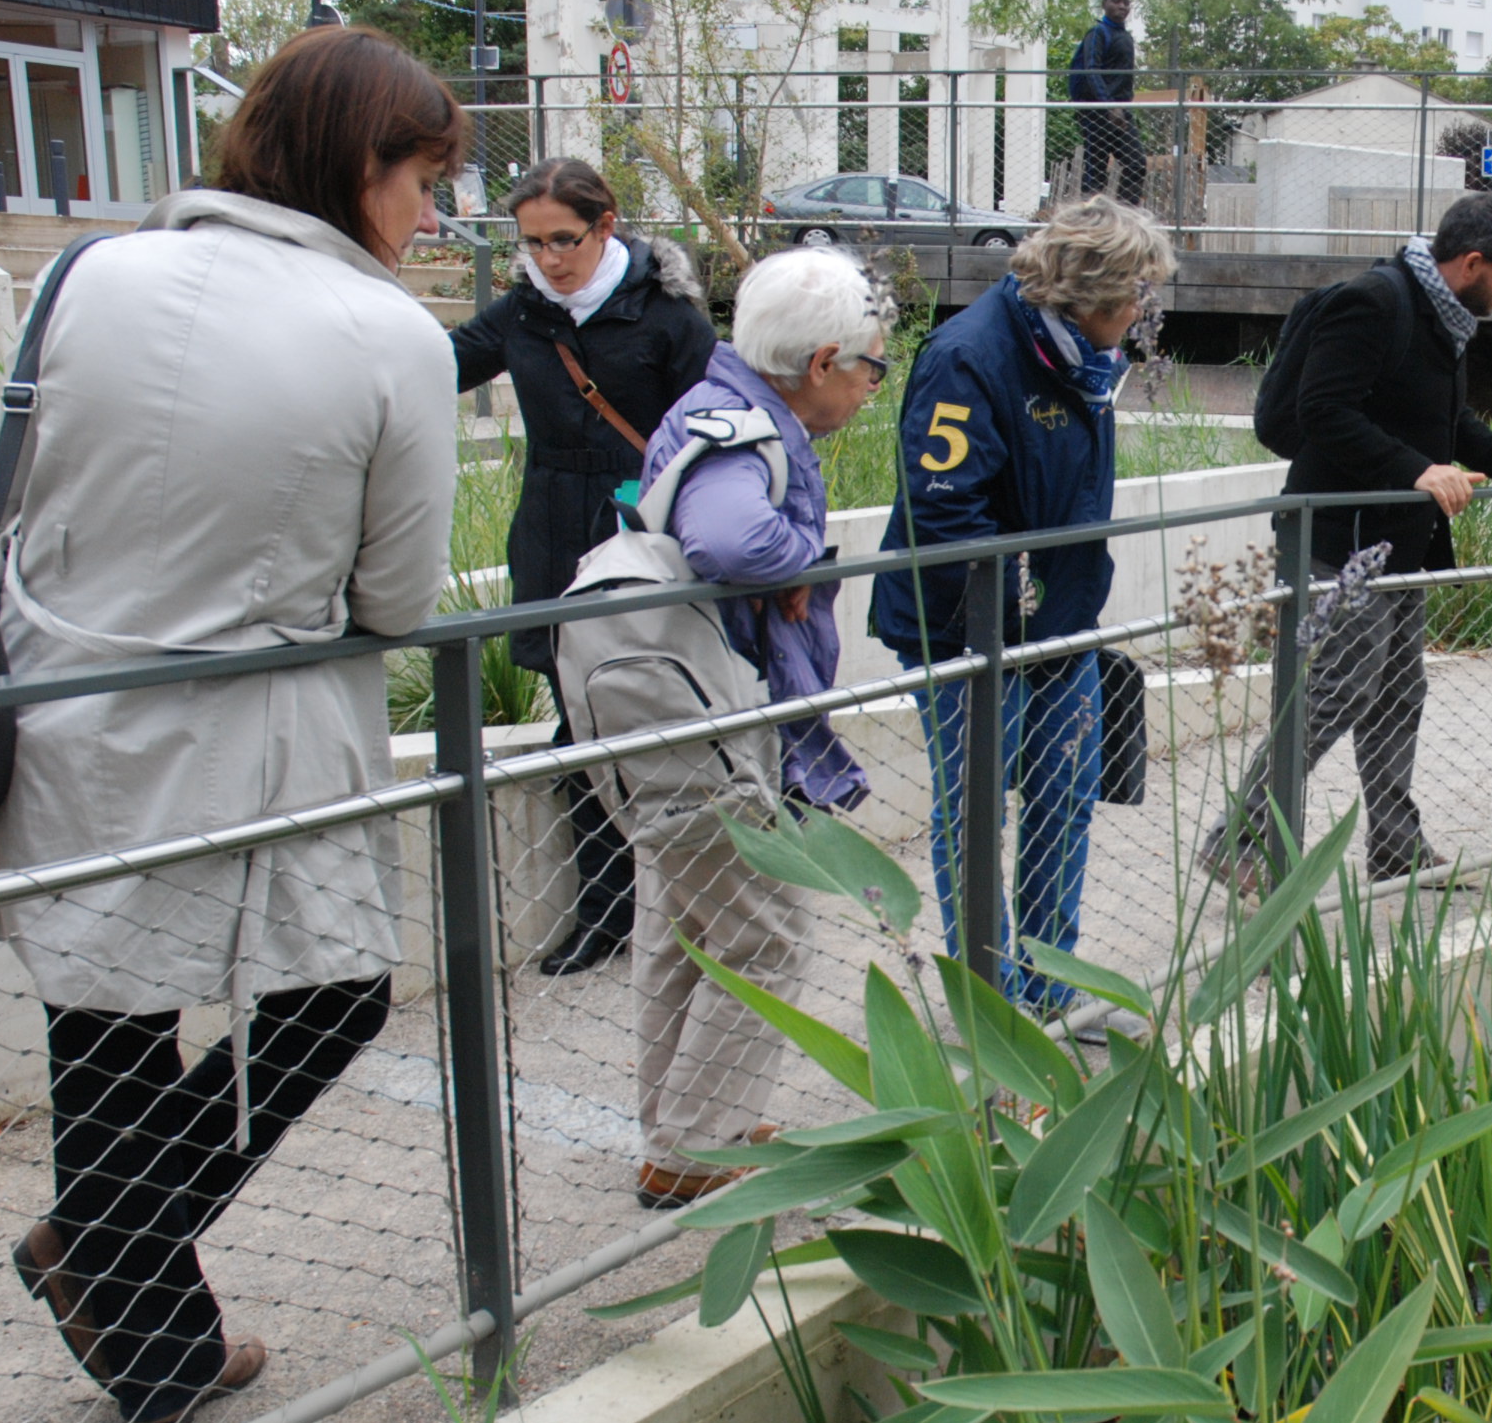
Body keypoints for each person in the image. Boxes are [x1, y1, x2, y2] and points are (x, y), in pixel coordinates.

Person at [0, 26, 463, 1423]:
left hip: (61, 706)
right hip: (249, 730)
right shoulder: (389, 333)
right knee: (337, 993)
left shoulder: (91, 273)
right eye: (424, 180)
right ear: (355, 163)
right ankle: (113, 1254)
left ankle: (153, 1345)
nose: (433, 216)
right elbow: (395, 593)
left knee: (105, 1015)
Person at [1201, 194, 1492, 891]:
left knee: (1399, 692)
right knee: (1335, 691)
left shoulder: (1443, 318)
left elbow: (1445, 423)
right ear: (1471, 263)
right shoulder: (1376, 302)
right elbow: (1322, 411)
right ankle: (1241, 842)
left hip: (1398, 544)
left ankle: (1395, 847)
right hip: (1339, 540)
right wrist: (1416, 471)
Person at [870, 198, 1176, 1016]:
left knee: (1063, 796)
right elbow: (944, 514)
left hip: (1061, 627)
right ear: (1094, 292)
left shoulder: (1086, 356)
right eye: (1138, 292)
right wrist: (1021, 610)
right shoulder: (968, 357)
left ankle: (1049, 983)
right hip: (968, 633)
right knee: (974, 812)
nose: (1144, 308)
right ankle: (989, 996)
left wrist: (1063, 613)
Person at [628, 248, 883, 1208]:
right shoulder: (745, 434)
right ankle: (692, 1146)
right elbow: (730, 539)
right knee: (765, 934)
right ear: (822, 363)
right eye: (868, 366)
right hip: (720, 727)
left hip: (678, 716)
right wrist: (801, 563)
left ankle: (689, 1123)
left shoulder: (712, 409)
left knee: (682, 927)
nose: (868, 387)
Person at [449, 156, 717, 976]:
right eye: (530, 244)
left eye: (562, 239)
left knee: (658, 726)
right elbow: (432, 365)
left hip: (642, 536)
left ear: (606, 227)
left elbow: (717, 431)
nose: (547, 259)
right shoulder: (525, 312)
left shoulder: (667, 317)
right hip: (555, 536)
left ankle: (686, 909)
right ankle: (605, 912)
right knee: (578, 729)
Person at [1067, 0, 1144, 206]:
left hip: (1122, 113)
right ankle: (1090, 224)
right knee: (1095, 171)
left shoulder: (1126, 37)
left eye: (1126, 2)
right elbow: (1092, 70)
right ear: (1104, 4)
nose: (1122, 6)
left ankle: (1123, 217)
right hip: (1096, 113)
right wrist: (1109, 105)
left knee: (1136, 163)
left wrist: (1122, 107)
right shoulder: (1098, 33)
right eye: (1116, 1)